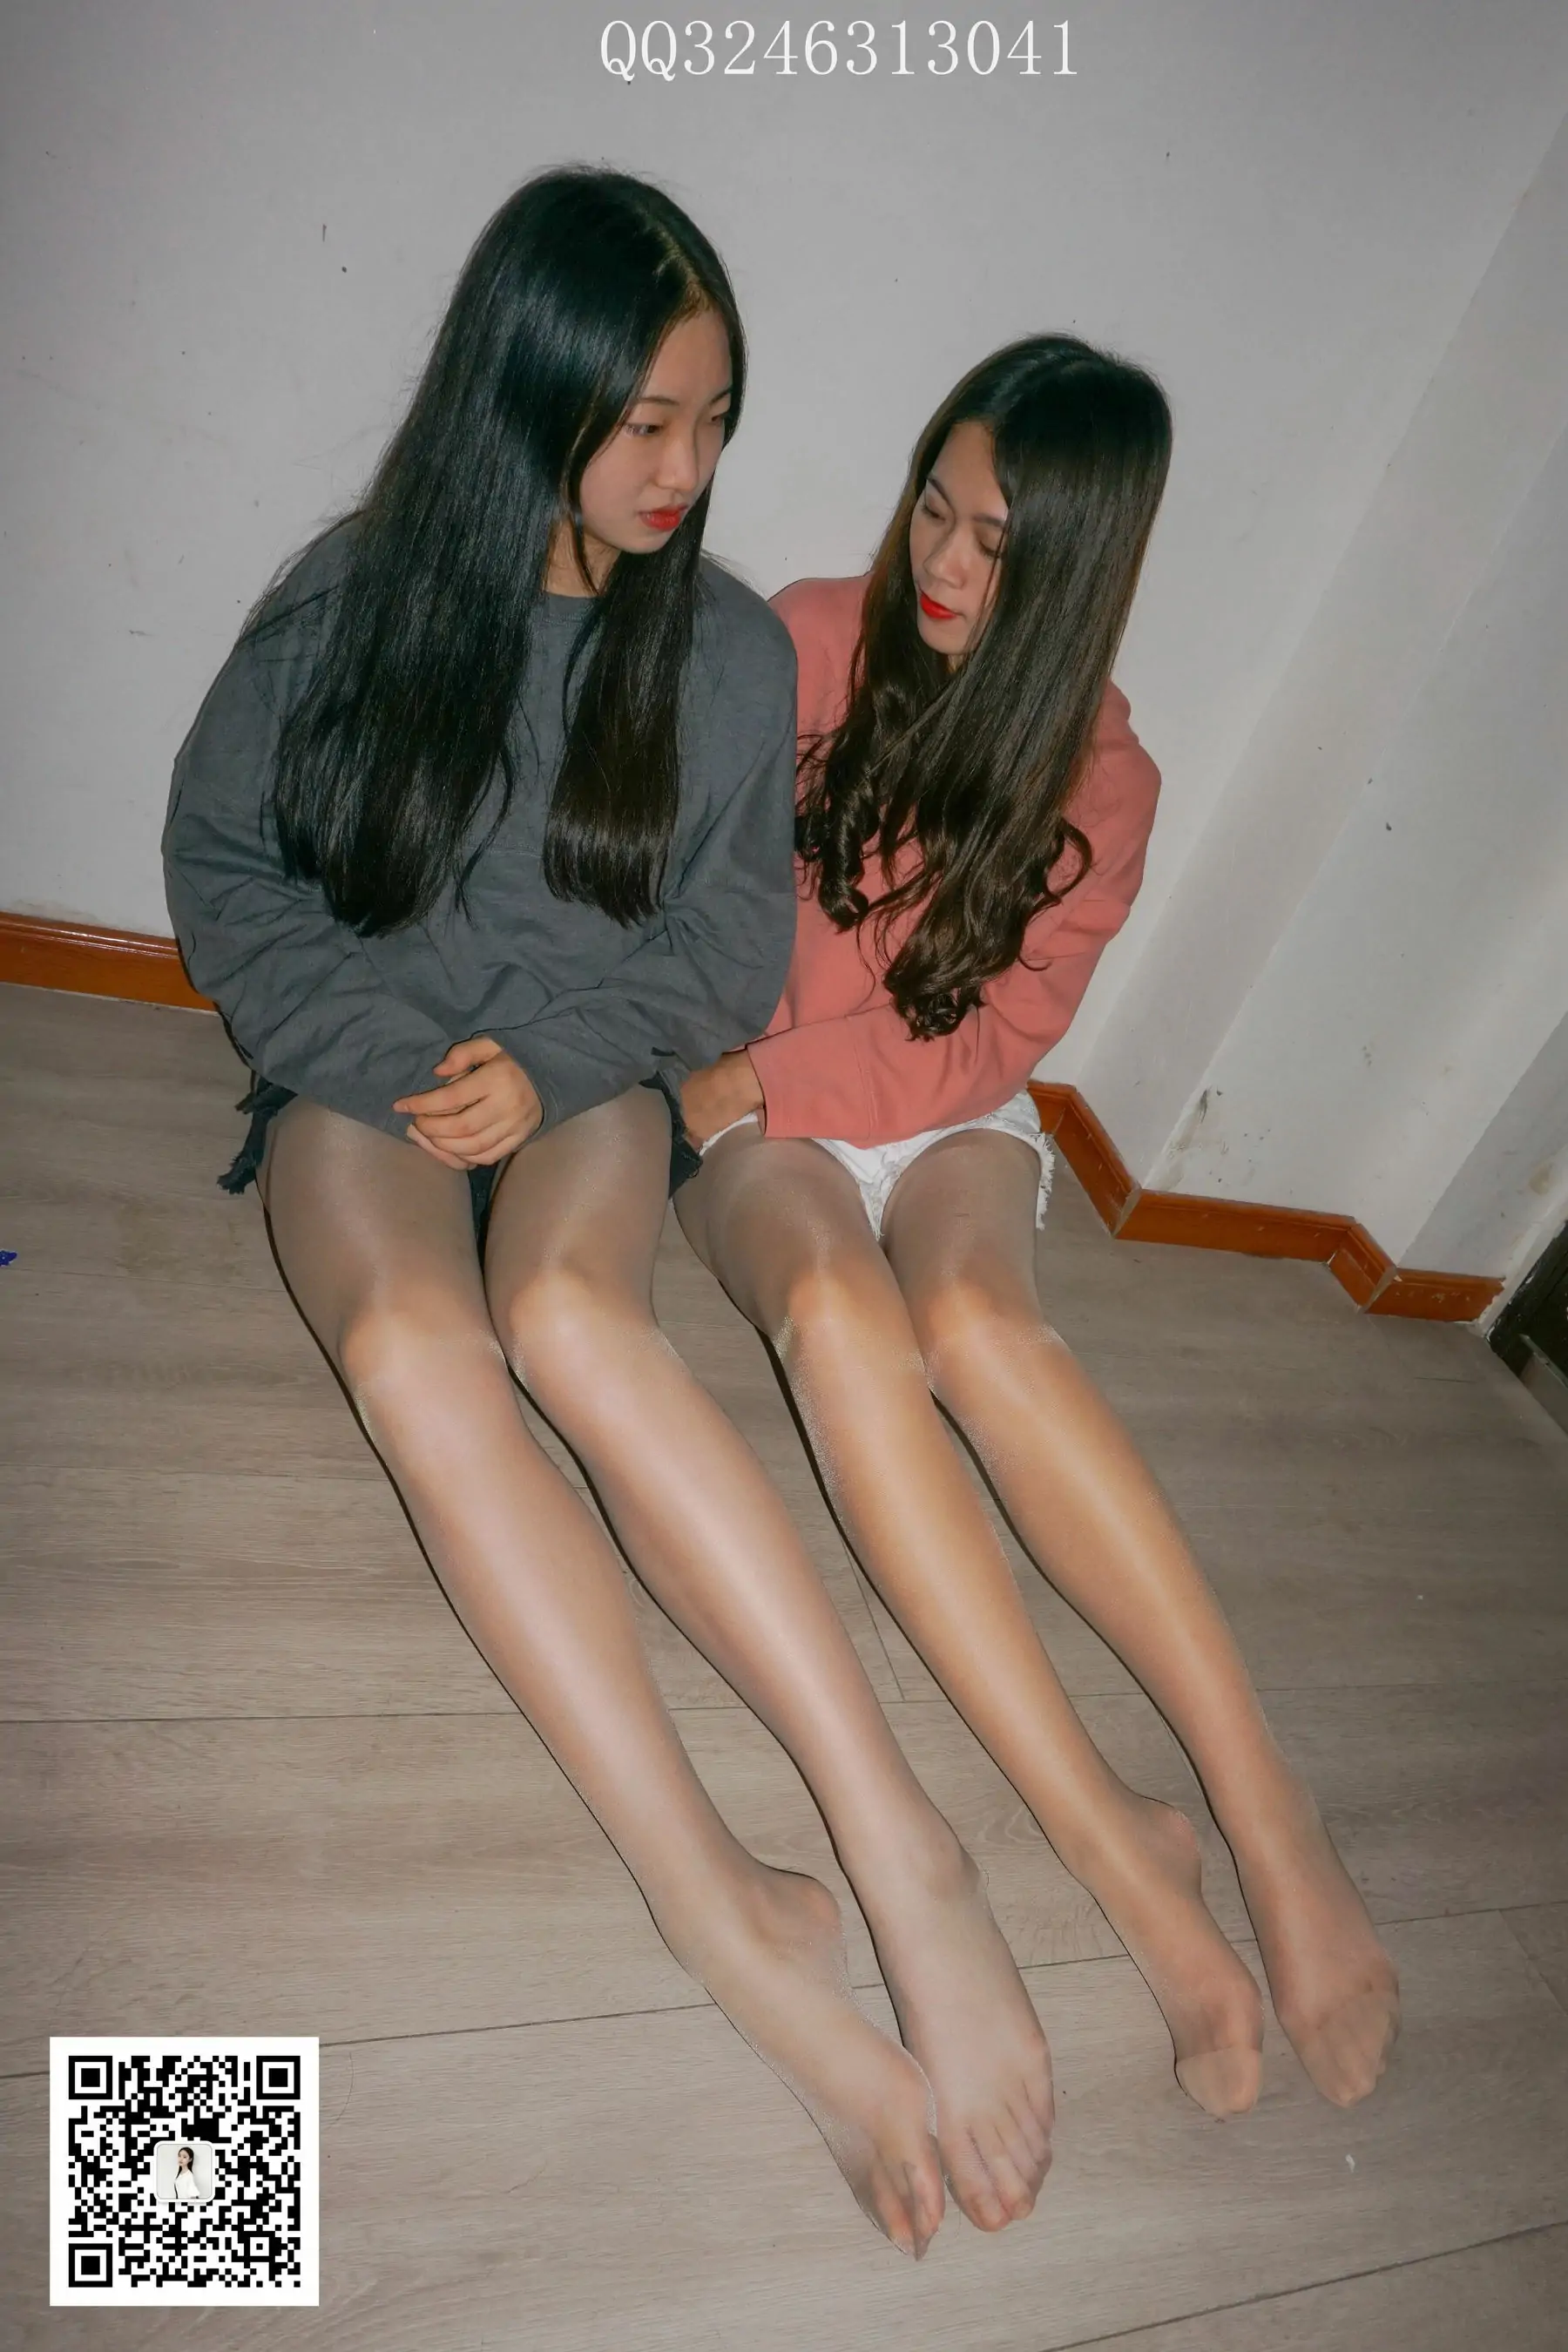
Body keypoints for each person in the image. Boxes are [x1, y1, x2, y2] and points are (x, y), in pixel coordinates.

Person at [164, 169, 1055, 2258]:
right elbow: (228, 872)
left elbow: (724, 958)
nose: (685, 467)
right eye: (645, 419)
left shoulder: (726, 656)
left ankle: (901, 1845)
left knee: (574, 1321)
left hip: (583, 1084)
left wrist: (556, 1064)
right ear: (528, 390)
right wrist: (390, 1046)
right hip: (369, 1074)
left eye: (715, 420)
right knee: (414, 1351)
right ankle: (712, 1910)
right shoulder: (352, 599)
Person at [675, 335, 1402, 2118]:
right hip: (749, 1110)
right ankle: (1107, 1841)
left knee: (986, 1333)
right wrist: (745, 1077)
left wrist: (785, 1074)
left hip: (937, 1110)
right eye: (935, 504)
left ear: (1077, 569)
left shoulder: (1108, 780)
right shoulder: (799, 641)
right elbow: (683, 894)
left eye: (996, 543)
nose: (942, 560)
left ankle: (1266, 1815)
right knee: (844, 1324)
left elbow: (984, 1043)